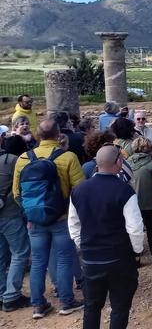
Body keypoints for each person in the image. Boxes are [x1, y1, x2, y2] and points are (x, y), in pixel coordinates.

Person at [68, 145, 143, 329]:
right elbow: (135, 228)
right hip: (119, 257)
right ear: (118, 162)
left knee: (92, 306)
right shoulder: (124, 190)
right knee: (119, 307)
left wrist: (83, 246)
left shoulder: (79, 190)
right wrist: (136, 252)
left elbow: (74, 224)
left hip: (91, 259)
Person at [13, 119, 86, 318]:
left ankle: (38, 305)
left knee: (38, 262)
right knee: (63, 259)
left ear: (37, 136)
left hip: (34, 220)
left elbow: (17, 193)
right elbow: (80, 191)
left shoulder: (23, 159)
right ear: (58, 135)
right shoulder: (68, 157)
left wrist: (31, 213)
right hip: (61, 217)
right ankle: (66, 301)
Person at [0, 135, 30, 312]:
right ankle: (11, 295)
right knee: (20, 252)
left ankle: (2, 292)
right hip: (10, 213)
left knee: (1, 255)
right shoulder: (13, 161)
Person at [128, 137, 152, 266]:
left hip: (131, 204)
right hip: (149, 203)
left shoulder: (127, 164)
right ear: (149, 149)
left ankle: (136, 259)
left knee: (134, 231)